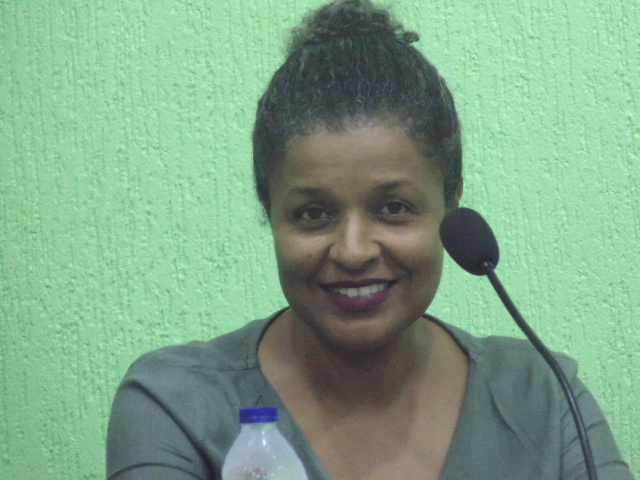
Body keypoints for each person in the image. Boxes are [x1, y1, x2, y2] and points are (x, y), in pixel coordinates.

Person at [106, 1, 635, 479]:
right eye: (313, 214)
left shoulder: (542, 396)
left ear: (451, 203)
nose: (354, 251)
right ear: (269, 210)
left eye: (394, 208)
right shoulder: (178, 405)